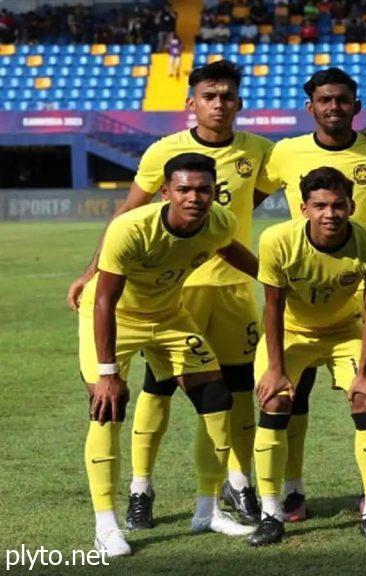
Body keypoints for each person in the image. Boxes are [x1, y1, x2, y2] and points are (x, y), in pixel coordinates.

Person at [66, 60, 275, 529]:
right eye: (209, 95)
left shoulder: (257, 156)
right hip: (146, 304)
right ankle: (130, 498)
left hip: (209, 296)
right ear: (192, 103)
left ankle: (229, 491)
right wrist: (88, 273)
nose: (219, 104)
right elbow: (123, 228)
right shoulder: (163, 156)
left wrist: (279, 284)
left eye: (227, 96)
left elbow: (240, 230)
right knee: (136, 395)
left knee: (229, 394)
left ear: (239, 102)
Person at [79, 153, 260, 557]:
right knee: (107, 406)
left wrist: (272, 278)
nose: (194, 197)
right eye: (184, 189)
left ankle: (207, 510)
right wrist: (108, 373)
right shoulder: (130, 229)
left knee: (217, 398)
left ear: (214, 193)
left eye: (203, 189)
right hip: (116, 316)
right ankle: (105, 525)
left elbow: (229, 250)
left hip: (169, 315)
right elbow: (105, 301)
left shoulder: (219, 222)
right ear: (166, 193)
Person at [261, 67, 366, 522]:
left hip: (353, 298)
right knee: (288, 400)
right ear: (311, 107)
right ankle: (290, 493)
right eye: (325, 100)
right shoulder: (284, 153)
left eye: (343, 100)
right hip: (300, 296)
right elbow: (249, 191)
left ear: (356, 106)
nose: (334, 107)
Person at [248, 167, 366, 546]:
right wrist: (276, 370)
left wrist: (365, 371)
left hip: (345, 332)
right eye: (320, 206)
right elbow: (273, 308)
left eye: (339, 205)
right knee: (275, 401)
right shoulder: (277, 240)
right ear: (303, 208)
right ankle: (270, 512)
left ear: (351, 205)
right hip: (293, 332)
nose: (330, 214)